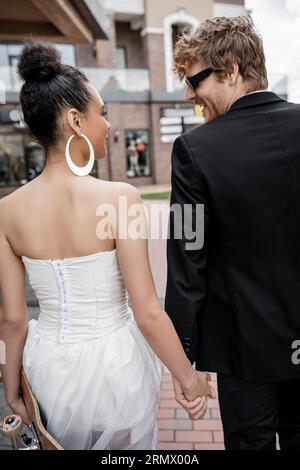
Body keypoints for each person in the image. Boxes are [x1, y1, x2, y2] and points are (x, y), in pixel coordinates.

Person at [0, 41, 215, 451]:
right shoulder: (121, 198)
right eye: (103, 114)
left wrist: (12, 392)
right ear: (76, 120)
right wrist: (188, 378)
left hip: (47, 366)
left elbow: (12, 321)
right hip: (115, 368)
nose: (109, 125)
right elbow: (149, 311)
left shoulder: (6, 211)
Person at [165, 15, 300, 450]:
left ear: (232, 71)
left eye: (195, 80)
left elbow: (188, 257)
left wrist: (185, 357)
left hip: (244, 350)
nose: (190, 95)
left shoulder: (196, 149)